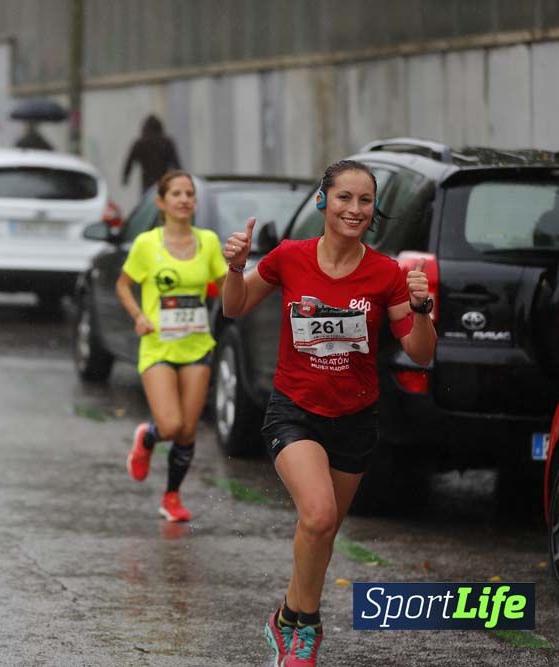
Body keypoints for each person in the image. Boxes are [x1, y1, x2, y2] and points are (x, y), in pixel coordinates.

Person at [220, 159, 436, 666]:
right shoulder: (290, 258)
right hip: (294, 410)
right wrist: (234, 268)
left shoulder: (386, 274)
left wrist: (423, 312)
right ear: (323, 200)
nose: (354, 209)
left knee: (323, 531)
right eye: (344, 198)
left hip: (355, 419)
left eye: (365, 201)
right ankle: (306, 629)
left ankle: (285, 617)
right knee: (317, 514)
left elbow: (421, 352)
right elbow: (235, 307)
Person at [120, 170, 228, 522]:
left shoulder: (209, 242)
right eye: (177, 194)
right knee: (169, 426)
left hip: (197, 344)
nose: (184, 199)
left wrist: (239, 277)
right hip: (158, 346)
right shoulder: (146, 244)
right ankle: (148, 437)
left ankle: (171, 497)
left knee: (187, 429)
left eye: (189, 194)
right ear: (161, 202)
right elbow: (123, 285)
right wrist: (138, 315)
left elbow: (227, 286)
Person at [122, 114, 182, 196]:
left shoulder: (140, 143)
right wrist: (181, 179)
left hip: (147, 184)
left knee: (147, 207)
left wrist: (125, 178)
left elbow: (129, 162)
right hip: (163, 183)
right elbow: (176, 163)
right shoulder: (167, 143)